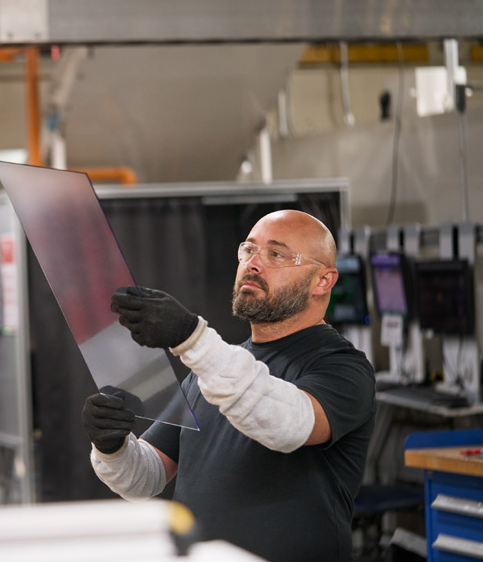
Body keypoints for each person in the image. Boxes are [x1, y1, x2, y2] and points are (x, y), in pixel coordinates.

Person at [83, 210, 375, 561]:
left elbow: (286, 424)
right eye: (248, 250)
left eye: (276, 254)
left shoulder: (342, 367)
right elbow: (146, 477)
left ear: (323, 281)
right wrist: (113, 446)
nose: (253, 264)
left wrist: (191, 339)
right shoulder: (212, 369)